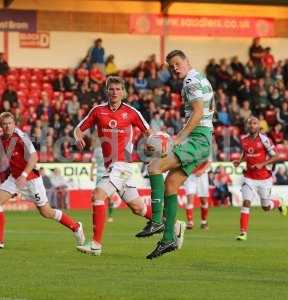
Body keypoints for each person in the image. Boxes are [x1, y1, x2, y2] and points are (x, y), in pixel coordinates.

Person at [136, 50, 214, 259]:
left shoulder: (191, 82)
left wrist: (178, 138)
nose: (175, 68)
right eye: (171, 66)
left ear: (187, 61)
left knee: (154, 166)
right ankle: (168, 238)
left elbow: (198, 112)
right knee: (171, 185)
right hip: (202, 140)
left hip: (197, 139)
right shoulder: (199, 78)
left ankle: (156, 221)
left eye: (177, 63)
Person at [74, 76, 164, 256]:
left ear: (123, 92)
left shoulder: (131, 112)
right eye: (111, 89)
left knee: (98, 195)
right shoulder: (98, 111)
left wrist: (152, 143)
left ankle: (96, 245)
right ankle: (173, 225)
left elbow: (148, 131)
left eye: (118, 89)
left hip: (123, 164)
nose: (114, 92)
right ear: (107, 91)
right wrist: (78, 137)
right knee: (138, 208)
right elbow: (79, 128)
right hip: (113, 166)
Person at [0, 112, 85, 249]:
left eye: (10, 123)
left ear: (14, 124)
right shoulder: (0, 138)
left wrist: (24, 175)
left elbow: (34, 157)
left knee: (46, 212)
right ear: (0, 126)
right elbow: (1, 157)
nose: (7, 126)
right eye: (4, 124)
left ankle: (76, 227)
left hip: (31, 179)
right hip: (15, 178)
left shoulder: (22, 137)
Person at [232, 116, 287, 241]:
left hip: (264, 178)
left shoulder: (264, 140)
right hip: (249, 178)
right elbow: (246, 153)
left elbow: (276, 156)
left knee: (266, 207)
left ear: (258, 126)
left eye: (254, 123)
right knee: (246, 202)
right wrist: (239, 161)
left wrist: (262, 164)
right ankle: (243, 232)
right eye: (249, 123)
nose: (251, 125)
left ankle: (279, 202)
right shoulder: (244, 140)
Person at [89, 133, 115, 222]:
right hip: (99, 174)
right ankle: (97, 215)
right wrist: (91, 174)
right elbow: (93, 162)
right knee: (97, 196)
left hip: (108, 174)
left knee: (110, 196)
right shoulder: (96, 150)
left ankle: (110, 216)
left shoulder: (110, 149)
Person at [183, 160, 211, 230]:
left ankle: (204, 222)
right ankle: (190, 222)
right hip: (190, 175)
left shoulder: (206, 148)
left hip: (202, 175)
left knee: (204, 200)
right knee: (190, 197)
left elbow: (209, 162)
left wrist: (202, 170)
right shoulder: (187, 148)